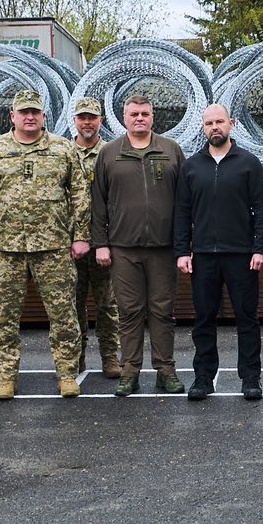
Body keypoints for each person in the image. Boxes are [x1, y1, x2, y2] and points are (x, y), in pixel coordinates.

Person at [0, 89, 87, 401]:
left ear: (43, 116)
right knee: (3, 316)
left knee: (64, 314)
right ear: (12, 117)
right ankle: (6, 375)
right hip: (6, 248)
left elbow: (80, 194)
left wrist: (81, 236)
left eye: (35, 112)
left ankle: (66, 374)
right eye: (24, 112)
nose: (29, 117)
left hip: (54, 247)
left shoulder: (63, 149)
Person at [89, 93, 186, 396]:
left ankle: (165, 369)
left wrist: (184, 245)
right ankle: (129, 371)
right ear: (124, 117)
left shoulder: (171, 151)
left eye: (145, 113)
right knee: (129, 311)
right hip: (123, 248)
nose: (140, 118)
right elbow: (98, 203)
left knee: (162, 311)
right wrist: (101, 244)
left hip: (163, 247)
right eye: (134, 114)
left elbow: (185, 203)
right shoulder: (109, 153)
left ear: (153, 116)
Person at [175, 103, 263, 401]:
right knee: (204, 319)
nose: (214, 127)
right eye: (209, 123)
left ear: (230, 123)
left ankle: (250, 379)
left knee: (247, 318)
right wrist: (182, 250)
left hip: (242, 255)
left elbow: (262, 209)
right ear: (202, 128)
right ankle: (203, 378)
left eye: (219, 121)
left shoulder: (249, 163)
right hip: (203, 256)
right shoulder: (192, 166)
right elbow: (182, 212)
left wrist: (260, 248)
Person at [68, 96, 123, 379]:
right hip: (70, 243)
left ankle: (110, 356)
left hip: (105, 241)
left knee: (107, 304)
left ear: (100, 120)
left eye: (91, 117)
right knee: (73, 304)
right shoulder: (62, 152)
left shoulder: (111, 152)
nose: (87, 122)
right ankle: (75, 357)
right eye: (82, 117)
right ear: (74, 120)